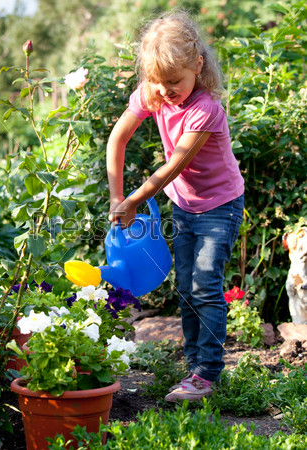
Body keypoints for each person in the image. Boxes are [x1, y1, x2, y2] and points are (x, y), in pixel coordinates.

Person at [106, 11, 244, 401]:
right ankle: (193, 366)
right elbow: (118, 140)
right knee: (186, 287)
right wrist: (118, 197)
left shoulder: (205, 109)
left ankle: (207, 374)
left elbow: (172, 167)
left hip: (220, 206)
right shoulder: (154, 91)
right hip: (185, 206)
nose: (165, 91)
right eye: (157, 81)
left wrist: (134, 200)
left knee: (205, 284)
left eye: (174, 81)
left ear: (197, 67)